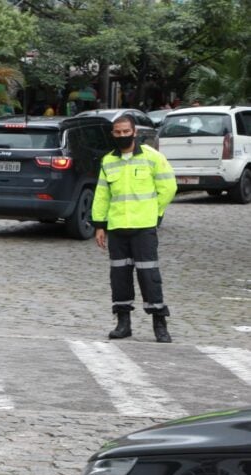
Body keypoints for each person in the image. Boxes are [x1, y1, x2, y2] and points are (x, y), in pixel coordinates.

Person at [92, 115, 177, 343]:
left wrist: (155, 213)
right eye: (117, 132)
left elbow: (169, 187)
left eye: (125, 131)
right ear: (113, 134)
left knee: (149, 275)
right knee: (119, 276)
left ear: (134, 132)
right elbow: (102, 195)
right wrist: (99, 225)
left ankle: (159, 323)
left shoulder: (152, 157)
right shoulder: (108, 161)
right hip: (117, 227)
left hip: (143, 227)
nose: (122, 136)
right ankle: (123, 323)